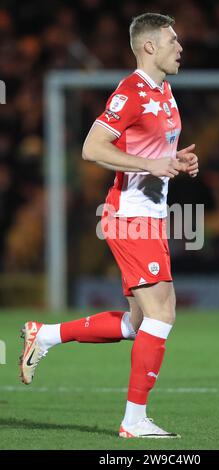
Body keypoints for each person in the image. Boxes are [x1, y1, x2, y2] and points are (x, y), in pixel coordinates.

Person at [19, 13, 198, 438]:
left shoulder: (165, 91)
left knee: (138, 324)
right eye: (173, 41)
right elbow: (91, 148)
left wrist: (178, 162)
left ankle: (44, 335)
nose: (180, 47)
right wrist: (150, 164)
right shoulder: (129, 93)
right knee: (163, 313)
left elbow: (156, 154)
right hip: (131, 217)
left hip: (150, 215)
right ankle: (134, 421)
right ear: (149, 46)